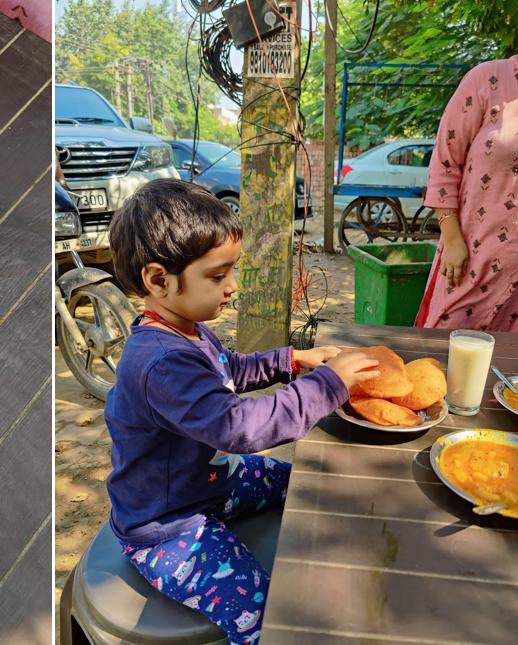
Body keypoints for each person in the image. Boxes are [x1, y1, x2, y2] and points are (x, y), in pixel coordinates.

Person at [104, 179, 379, 644]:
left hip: (210, 484)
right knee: (265, 616)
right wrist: (328, 386)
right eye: (217, 276)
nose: (233, 288)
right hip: (169, 527)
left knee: (304, 483)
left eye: (233, 271)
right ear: (158, 280)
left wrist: (291, 361)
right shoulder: (162, 361)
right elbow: (239, 428)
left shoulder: (186, 329)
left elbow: (231, 369)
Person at [414, 2, 518, 333]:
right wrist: (452, 238)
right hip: (470, 262)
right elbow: (444, 164)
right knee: (447, 364)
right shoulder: (486, 79)